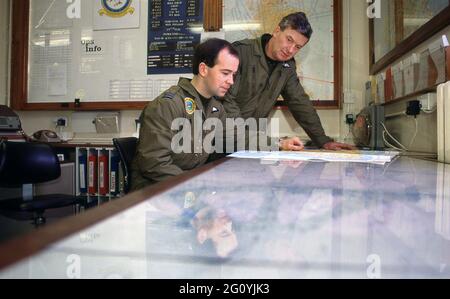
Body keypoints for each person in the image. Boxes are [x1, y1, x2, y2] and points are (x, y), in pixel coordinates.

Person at [131, 38, 302, 191]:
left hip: (186, 190)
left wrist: (279, 144)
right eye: (225, 73)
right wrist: (197, 189)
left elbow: (238, 137)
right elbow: (154, 163)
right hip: (156, 196)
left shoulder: (215, 108)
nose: (231, 81)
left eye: (233, 75)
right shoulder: (168, 104)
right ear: (204, 69)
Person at [223, 12, 356, 151]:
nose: (291, 50)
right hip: (223, 137)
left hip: (249, 144)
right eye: (289, 40)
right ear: (276, 31)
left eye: (298, 47)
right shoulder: (241, 52)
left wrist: (323, 140)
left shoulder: (288, 66)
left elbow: (299, 101)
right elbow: (226, 101)